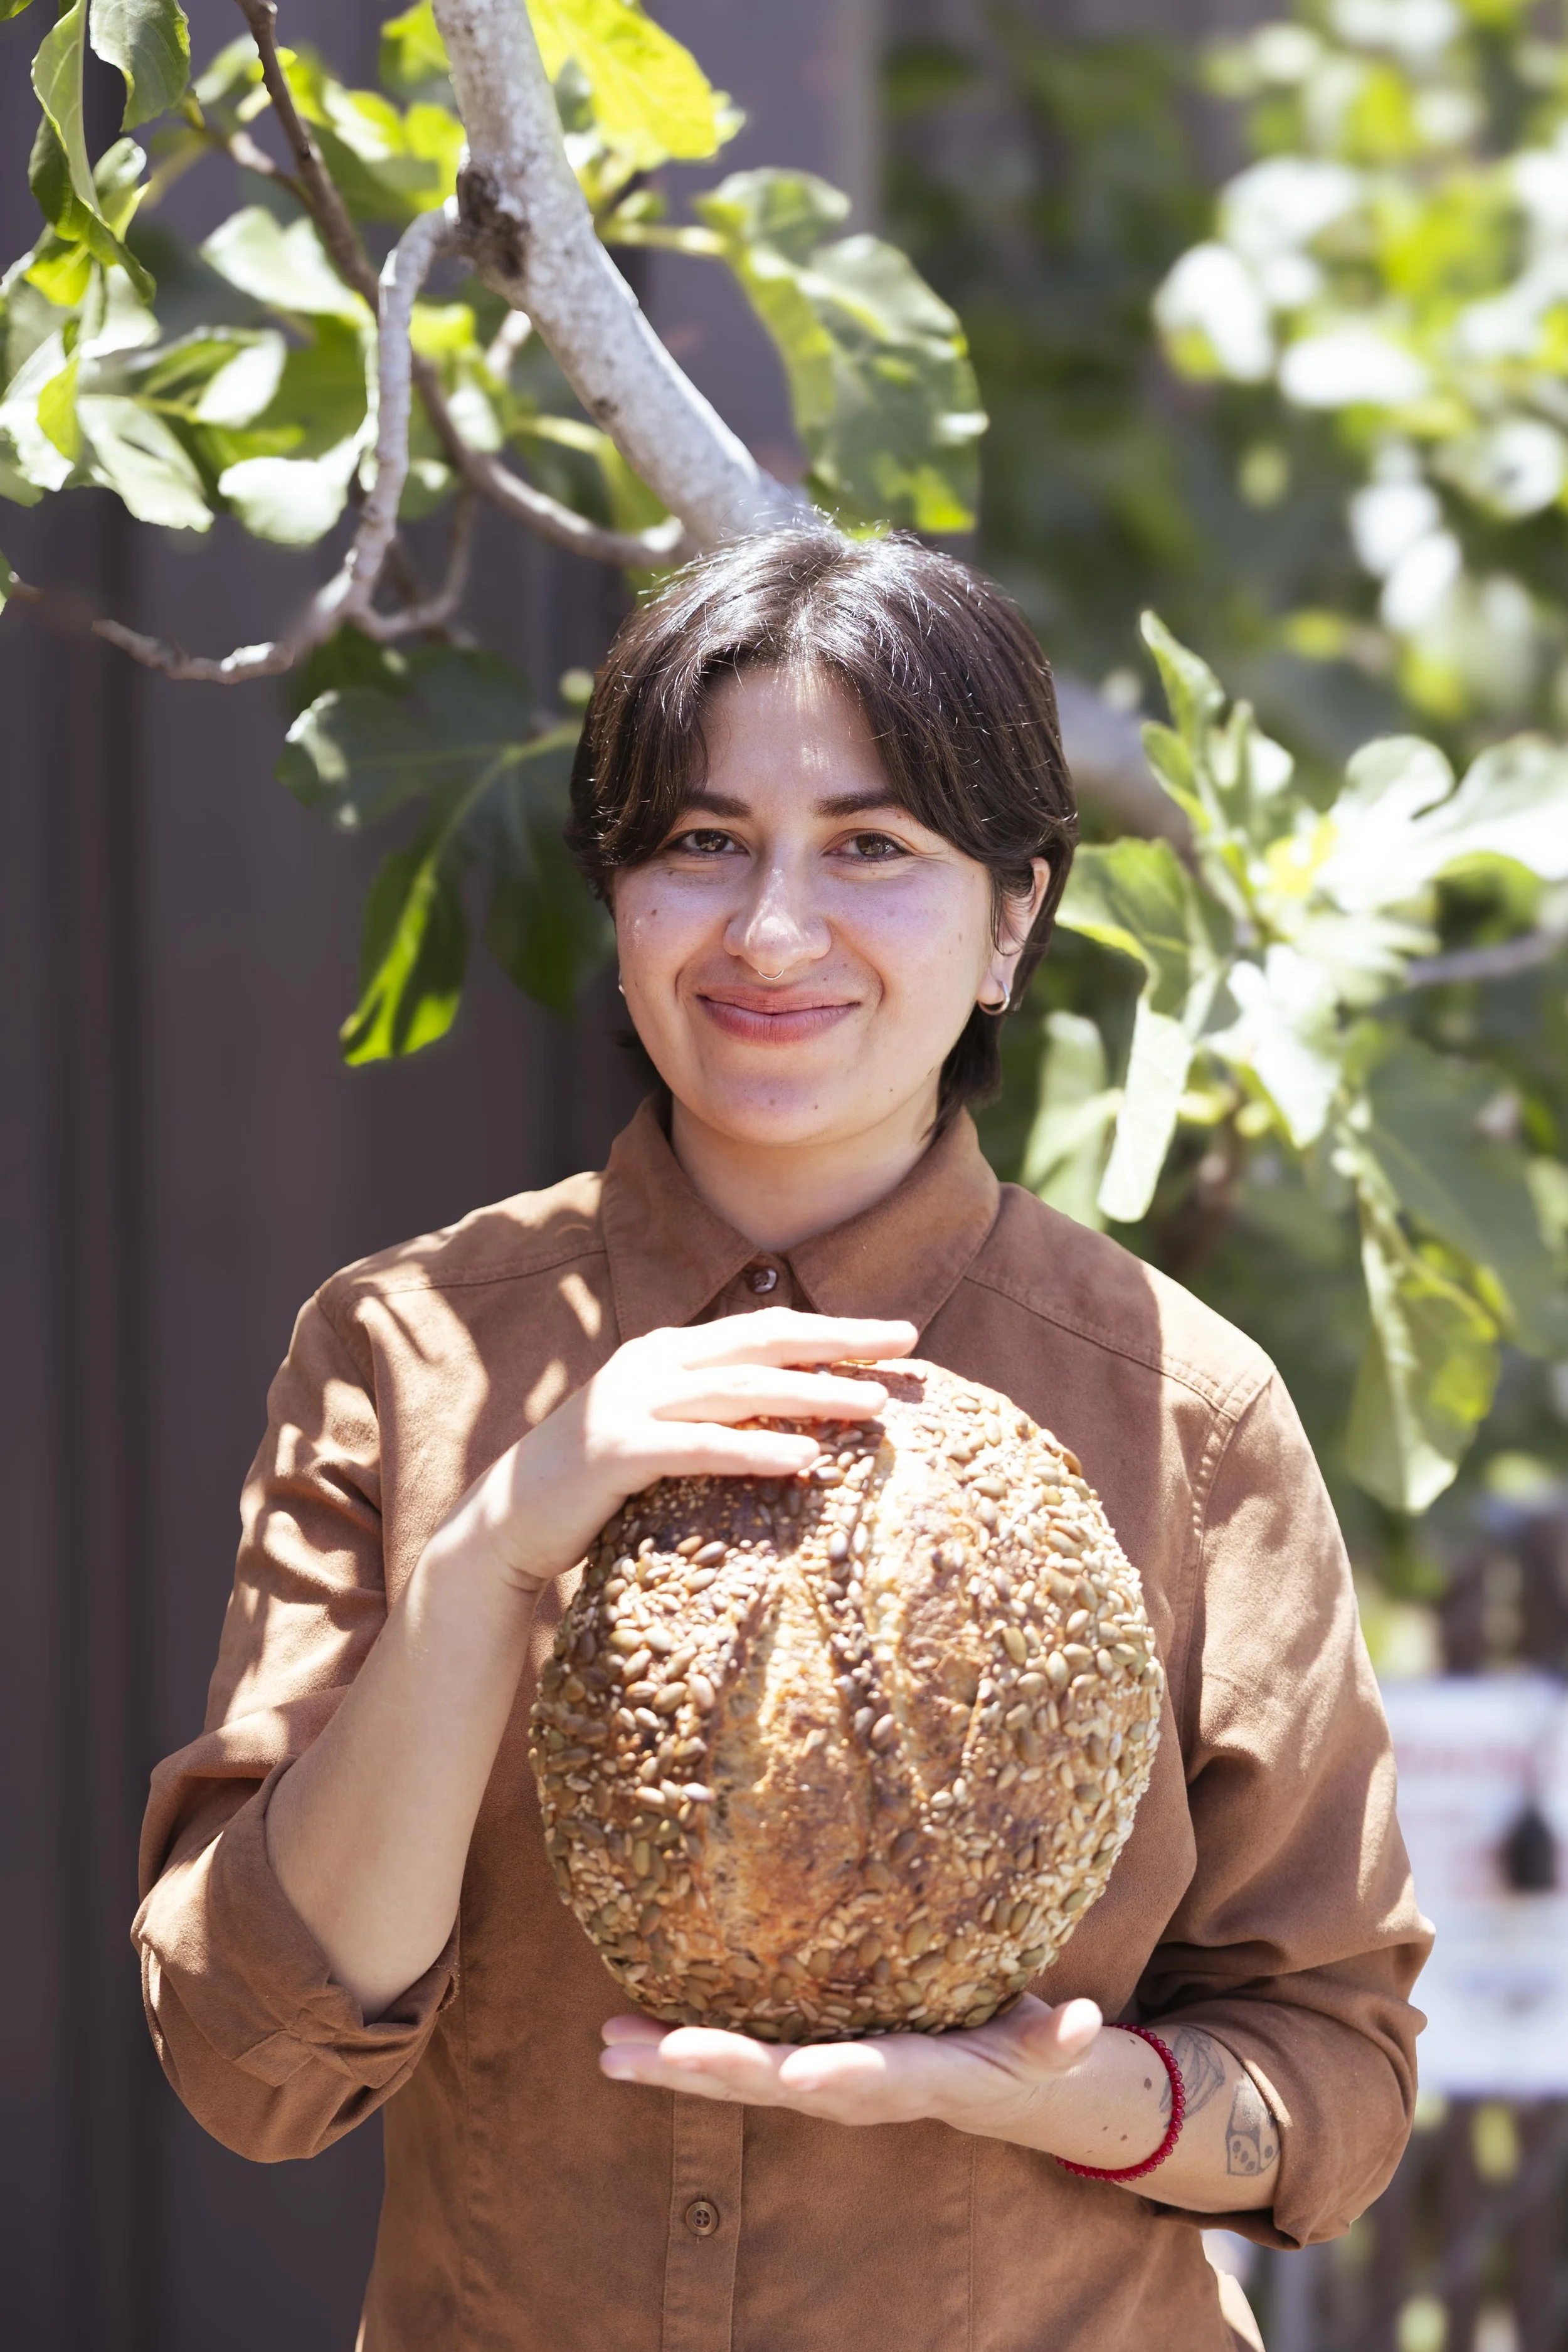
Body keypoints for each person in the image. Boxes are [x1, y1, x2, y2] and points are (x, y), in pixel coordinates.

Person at [135, 529, 1429, 2352]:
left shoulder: (1184, 1411)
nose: (768, 929)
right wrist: (496, 1555)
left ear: (1013, 917)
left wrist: (1068, 2096)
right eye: (700, 841)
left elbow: (1333, 2081)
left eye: (873, 846)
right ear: (620, 899)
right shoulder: (407, 1349)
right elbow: (248, 2063)